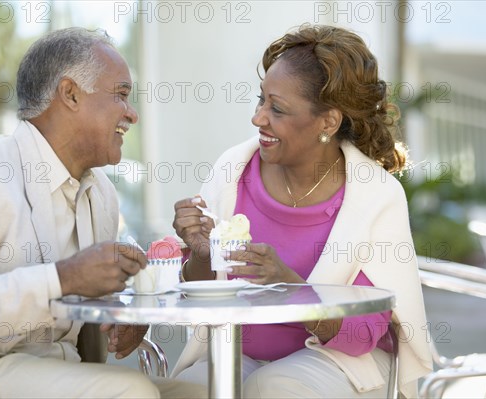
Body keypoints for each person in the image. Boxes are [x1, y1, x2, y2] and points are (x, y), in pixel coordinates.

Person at [0, 27, 205, 399]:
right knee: (132, 391)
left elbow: (86, 317)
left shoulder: (101, 194)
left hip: (58, 371)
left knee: (204, 391)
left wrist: (127, 319)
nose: (132, 114)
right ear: (70, 94)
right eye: (121, 95)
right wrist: (64, 278)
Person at [171, 24, 433, 398]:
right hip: (236, 351)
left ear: (328, 121)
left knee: (275, 386)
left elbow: (361, 334)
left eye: (277, 108)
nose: (258, 118)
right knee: (189, 391)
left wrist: (288, 285)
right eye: (261, 100)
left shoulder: (375, 195)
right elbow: (194, 296)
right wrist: (199, 254)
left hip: (342, 362)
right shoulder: (233, 169)